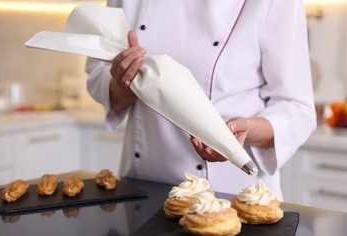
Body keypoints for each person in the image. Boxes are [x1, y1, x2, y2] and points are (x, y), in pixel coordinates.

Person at [85, 0, 317, 199]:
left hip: (232, 193)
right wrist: (125, 82)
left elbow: (296, 108)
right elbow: (97, 76)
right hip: (144, 186)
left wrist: (241, 131)